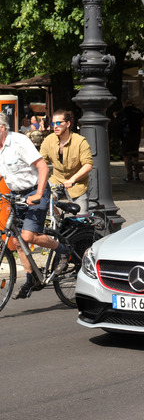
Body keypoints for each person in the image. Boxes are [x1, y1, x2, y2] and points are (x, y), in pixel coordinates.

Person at [0, 112, 69, 299]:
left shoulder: (19, 142)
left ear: (2, 128)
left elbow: (43, 167)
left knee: (28, 236)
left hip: (34, 191)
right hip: (16, 194)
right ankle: (32, 278)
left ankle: (62, 250)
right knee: (17, 241)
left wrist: (39, 194)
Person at [39, 109, 93, 216]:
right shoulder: (49, 140)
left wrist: (73, 179)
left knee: (81, 219)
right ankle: (58, 222)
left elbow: (88, 165)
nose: (55, 126)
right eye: (53, 123)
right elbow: (41, 162)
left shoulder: (80, 141)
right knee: (41, 202)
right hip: (56, 180)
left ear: (68, 124)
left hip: (77, 184)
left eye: (59, 123)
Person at [117, 99, 144, 181]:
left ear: (124, 104)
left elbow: (118, 124)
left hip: (125, 136)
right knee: (135, 155)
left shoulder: (122, 112)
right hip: (136, 135)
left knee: (126, 155)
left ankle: (129, 174)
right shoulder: (138, 111)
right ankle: (137, 175)